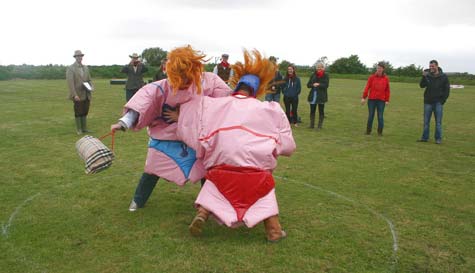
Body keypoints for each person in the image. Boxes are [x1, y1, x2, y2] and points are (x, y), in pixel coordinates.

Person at [175, 49, 296, 242]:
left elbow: (193, 122)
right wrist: (274, 149)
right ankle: (273, 230)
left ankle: (203, 213)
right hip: (256, 172)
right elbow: (288, 146)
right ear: (257, 90)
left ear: (237, 85)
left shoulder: (213, 104)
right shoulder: (270, 108)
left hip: (221, 169)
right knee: (264, 194)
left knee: (213, 188)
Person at [110, 45, 231, 211]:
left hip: (195, 138)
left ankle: (208, 205)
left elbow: (225, 101)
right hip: (165, 138)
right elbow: (143, 102)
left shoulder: (208, 82)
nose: (183, 82)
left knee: (207, 168)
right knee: (152, 168)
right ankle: (138, 200)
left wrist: (183, 117)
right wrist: (123, 123)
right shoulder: (160, 87)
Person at [417, 60, 450, 144]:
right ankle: (425, 138)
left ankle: (438, 139)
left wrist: (442, 101)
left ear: (437, 66)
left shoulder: (444, 76)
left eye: (432, 66)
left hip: (438, 102)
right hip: (428, 102)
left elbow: (447, 90)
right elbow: (421, 85)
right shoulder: (428, 75)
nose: (431, 68)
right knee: (426, 122)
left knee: (438, 122)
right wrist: (423, 77)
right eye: (430, 66)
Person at [66, 50, 94, 135]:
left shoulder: (86, 67)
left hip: (86, 94)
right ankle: (79, 129)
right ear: (75, 57)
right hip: (77, 94)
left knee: (85, 110)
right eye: (78, 56)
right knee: (78, 111)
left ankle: (84, 128)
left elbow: (89, 80)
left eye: (81, 56)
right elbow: (70, 83)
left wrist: (92, 86)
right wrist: (74, 95)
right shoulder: (70, 68)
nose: (80, 57)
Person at [361, 62, 390, 135]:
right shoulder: (372, 77)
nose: (378, 69)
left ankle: (380, 132)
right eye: (377, 68)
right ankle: (368, 131)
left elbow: (387, 90)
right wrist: (364, 97)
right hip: (372, 100)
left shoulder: (386, 79)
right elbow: (367, 87)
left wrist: (387, 100)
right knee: (371, 115)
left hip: (381, 100)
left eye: (380, 68)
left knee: (380, 116)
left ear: (383, 69)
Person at [307, 62, 330, 129]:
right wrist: (313, 85)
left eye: (320, 67)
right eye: (318, 67)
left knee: (321, 111)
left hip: (321, 96)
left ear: (323, 68)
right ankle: (311, 125)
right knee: (312, 110)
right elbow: (308, 85)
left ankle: (319, 126)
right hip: (313, 95)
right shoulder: (313, 75)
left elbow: (326, 85)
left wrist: (319, 84)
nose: (319, 68)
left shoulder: (326, 75)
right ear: (316, 68)